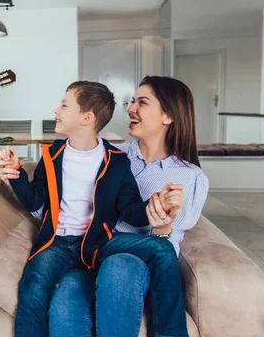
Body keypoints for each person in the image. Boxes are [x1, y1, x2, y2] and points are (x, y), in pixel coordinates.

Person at [0, 81, 189, 337]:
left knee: (163, 248)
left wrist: (159, 205)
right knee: (33, 287)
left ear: (87, 118)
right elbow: (34, 201)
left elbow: (131, 210)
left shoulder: (117, 161)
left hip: (99, 242)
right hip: (58, 244)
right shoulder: (51, 155)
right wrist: (17, 174)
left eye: (64, 105)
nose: (56, 110)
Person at [48, 76, 209, 337]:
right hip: (93, 251)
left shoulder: (190, 178)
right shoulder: (108, 157)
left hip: (135, 262)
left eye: (141, 102)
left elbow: (167, 245)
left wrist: (163, 226)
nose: (130, 108)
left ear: (168, 116)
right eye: (132, 101)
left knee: (120, 266)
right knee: (67, 292)